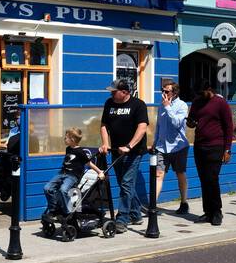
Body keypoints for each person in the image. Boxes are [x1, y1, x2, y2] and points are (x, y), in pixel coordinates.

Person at [100, 79, 150, 230]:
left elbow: (142, 128)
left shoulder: (138, 105)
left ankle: (122, 219)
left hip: (133, 152)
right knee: (123, 183)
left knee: (126, 184)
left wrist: (129, 146)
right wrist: (105, 143)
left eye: (114, 92)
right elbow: (104, 125)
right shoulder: (109, 103)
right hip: (116, 150)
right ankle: (136, 214)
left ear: (125, 92)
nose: (111, 94)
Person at [187, 82, 233, 226]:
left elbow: (229, 126)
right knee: (203, 179)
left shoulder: (220, 103)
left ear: (209, 89)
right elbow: (191, 121)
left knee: (212, 179)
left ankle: (217, 212)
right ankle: (207, 212)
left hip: (216, 146)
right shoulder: (197, 102)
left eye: (202, 93)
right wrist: (190, 123)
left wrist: (227, 149)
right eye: (198, 94)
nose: (200, 96)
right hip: (199, 146)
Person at [43, 128, 103, 216]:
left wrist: (99, 172)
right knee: (47, 188)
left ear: (72, 140)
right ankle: (53, 208)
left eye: (66, 137)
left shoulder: (80, 152)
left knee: (63, 190)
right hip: (62, 173)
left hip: (72, 176)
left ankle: (68, 213)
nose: (64, 139)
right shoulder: (68, 149)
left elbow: (89, 163)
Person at [153, 82, 190, 215]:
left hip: (178, 147)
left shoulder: (182, 105)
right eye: (162, 91)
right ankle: (153, 205)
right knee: (159, 174)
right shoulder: (161, 105)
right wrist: (155, 142)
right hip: (162, 146)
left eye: (167, 91)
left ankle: (184, 202)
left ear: (174, 93)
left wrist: (168, 107)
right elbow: (158, 125)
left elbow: (177, 123)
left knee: (180, 173)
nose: (164, 94)